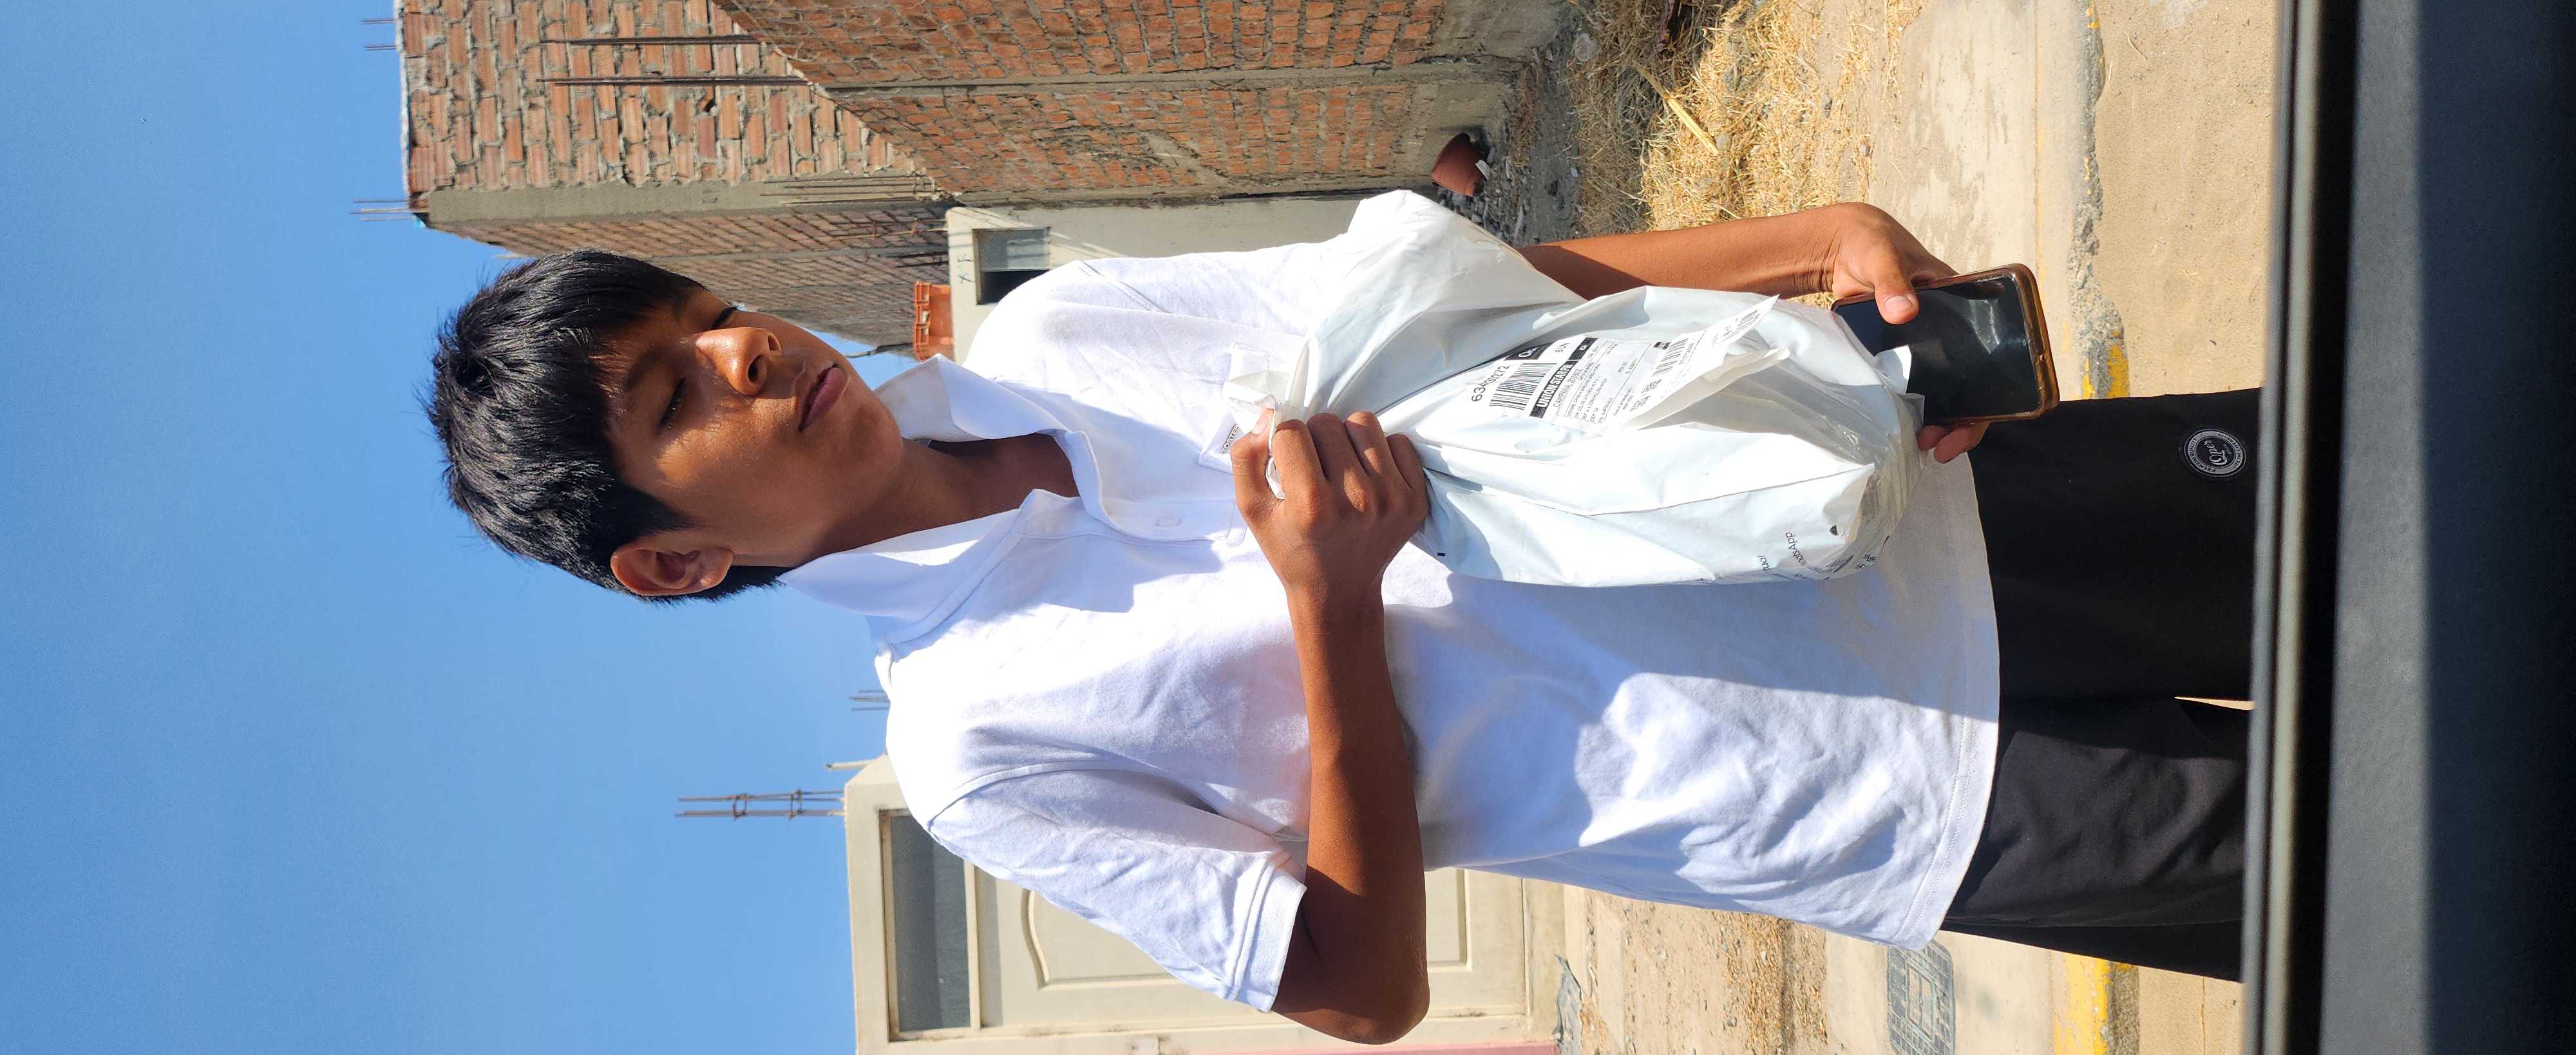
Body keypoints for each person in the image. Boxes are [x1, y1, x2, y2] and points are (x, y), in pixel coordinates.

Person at [428, 198, 2253, 1045]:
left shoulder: (1055, 336)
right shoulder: (977, 746)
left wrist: (1809, 236)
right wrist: (1332, 611)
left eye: (709, 314)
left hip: (1940, 503)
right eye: (675, 396)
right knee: (2399, 851)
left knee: (2397, 508)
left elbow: (1475, 299)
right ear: (673, 562)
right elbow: (1360, 991)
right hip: (1901, 785)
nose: (746, 352)